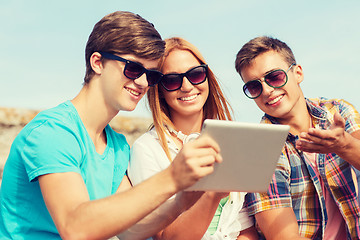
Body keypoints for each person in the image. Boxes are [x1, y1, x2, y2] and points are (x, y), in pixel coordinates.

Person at [0, 11, 223, 240]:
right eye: (134, 69)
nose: (143, 82)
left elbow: (131, 230)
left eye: (151, 75)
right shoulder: (52, 132)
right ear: (97, 63)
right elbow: (75, 227)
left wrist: (181, 201)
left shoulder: (117, 146)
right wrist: (172, 178)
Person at [128, 37, 258, 240]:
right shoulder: (146, 149)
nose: (187, 86)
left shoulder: (232, 139)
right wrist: (212, 194)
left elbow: (245, 230)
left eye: (196, 75)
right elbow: (166, 237)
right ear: (160, 91)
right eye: (172, 80)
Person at [234, 36, 360, 239]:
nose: (267, 91)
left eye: (274, 77)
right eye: (254, 87)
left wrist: (345, 146)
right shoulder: (258, 150)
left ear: (298, 73)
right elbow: (283, 237)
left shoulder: (336, 111)